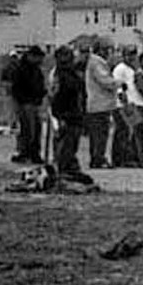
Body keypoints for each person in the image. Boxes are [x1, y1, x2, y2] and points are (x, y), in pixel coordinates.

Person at [48, 45, 96, 186]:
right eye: (63, 57)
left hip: (76, 114)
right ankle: (63, 171)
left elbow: (81, 94)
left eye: (68, 56)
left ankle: (69, 168)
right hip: (64, 115)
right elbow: (55, 98)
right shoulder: (58, 75)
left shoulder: (74, 74)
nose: (67, 60)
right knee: (64, 146)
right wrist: (59, 117)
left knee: (72, 144)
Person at [8, 43, 49, 164]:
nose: (41, 60)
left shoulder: (36, 70)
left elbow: (40, 85)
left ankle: (33, 153)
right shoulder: (21, 69)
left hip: (34, 103)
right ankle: (26, 153)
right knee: (27, 130)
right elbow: (16, 88)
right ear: (32, 56)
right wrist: (23, 101)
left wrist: (42, 94)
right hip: (25, 103)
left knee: (36, 130)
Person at [83, 41, 118, 171]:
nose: (109, 53)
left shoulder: (94, 61)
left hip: (100, 104)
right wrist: (118, 83)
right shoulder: (97, 62)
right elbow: (105, 81)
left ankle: (97, 157)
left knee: (100, 133)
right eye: (108, 50)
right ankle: (98, 158)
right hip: (99, 104)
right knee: (99, 133)